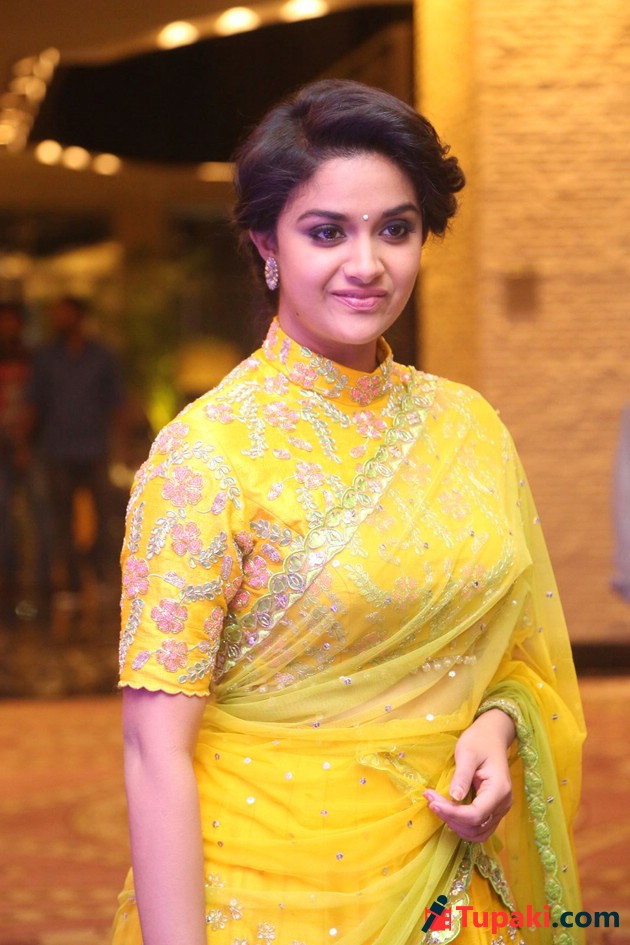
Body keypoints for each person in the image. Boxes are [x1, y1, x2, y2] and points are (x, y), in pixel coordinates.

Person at [112, 80, 585, 945]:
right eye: (327, 231)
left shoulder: (468, 426)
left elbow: (517, 653)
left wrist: (497, 724)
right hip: (267, 893)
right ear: (267, 241)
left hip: (453, 881)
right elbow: (154, 750)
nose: (367, 263)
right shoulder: (206, 456)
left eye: (395, 229)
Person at [28, 295, 125, 599]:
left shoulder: (102, 356)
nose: (59, 319)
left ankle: (102, 577)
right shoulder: (46, 358)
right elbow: (35, 403)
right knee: (62, 520)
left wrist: (120, 446)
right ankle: (69, 582)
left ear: (80, 317)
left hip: (94, 447)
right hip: (57, 448)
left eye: (65, 313)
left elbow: (116, 403)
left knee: (104, 517)